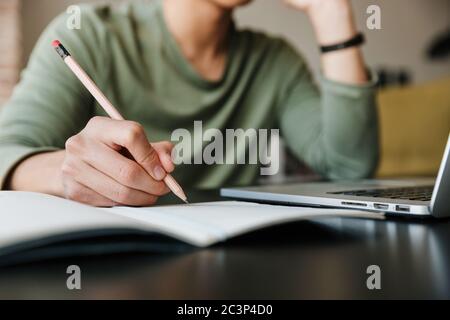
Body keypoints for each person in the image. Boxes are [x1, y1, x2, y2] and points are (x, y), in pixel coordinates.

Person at [0, 0, 378, 206]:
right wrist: (63, 172)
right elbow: (6, 152)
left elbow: (350, 165)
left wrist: (332, 11)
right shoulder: (89, 37)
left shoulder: (274, 62)